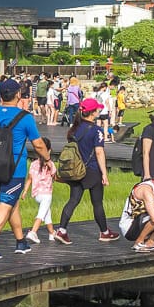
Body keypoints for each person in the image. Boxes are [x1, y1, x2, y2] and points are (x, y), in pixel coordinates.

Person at [0, 79, 51, 260]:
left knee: (13, 203)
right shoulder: (25, 117)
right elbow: (39, 144)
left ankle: (21, 242)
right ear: (18, 95)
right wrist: (48, 160)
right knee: (6, 203)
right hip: (14, 169)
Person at [54, 97, 120, 245]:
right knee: (97, 203)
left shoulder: (74, 129)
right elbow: (99, 153)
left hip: (75, 170)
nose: (99, 110)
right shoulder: (96, 131)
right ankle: (104, 232)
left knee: (73, 200)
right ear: (92, 113)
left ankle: (62, 230)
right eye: (97, 109)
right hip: (92, 170)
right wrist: (104, 173)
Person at [21, 136, 59, 244]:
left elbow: (29, 179)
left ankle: (52, 233)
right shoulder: (50, 164)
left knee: (47, 213)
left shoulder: (33, 164)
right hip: (46, 194)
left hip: (37, 195)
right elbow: (54, 177)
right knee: (41, 214)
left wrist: (24, 192)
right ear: (49, 150)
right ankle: (33, 232)